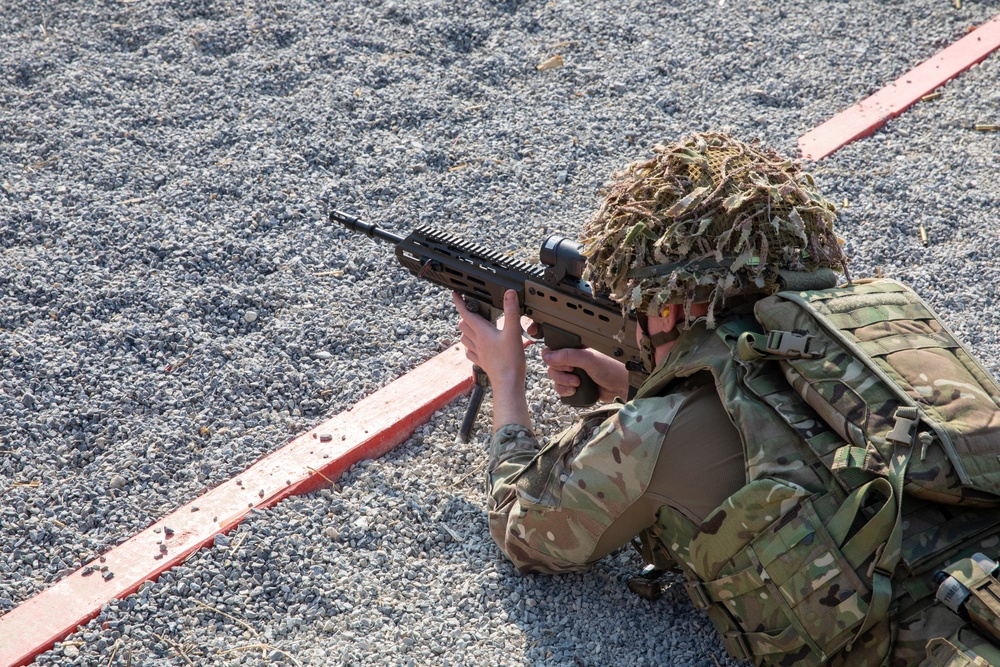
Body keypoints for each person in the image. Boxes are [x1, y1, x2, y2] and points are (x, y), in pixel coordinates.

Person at [452, 131, 1000, 667]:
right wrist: (634, 381)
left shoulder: (654, 430)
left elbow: (524, 531)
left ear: (665, 309)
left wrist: (507, 383)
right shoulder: (868, 344)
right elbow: (782, 402)